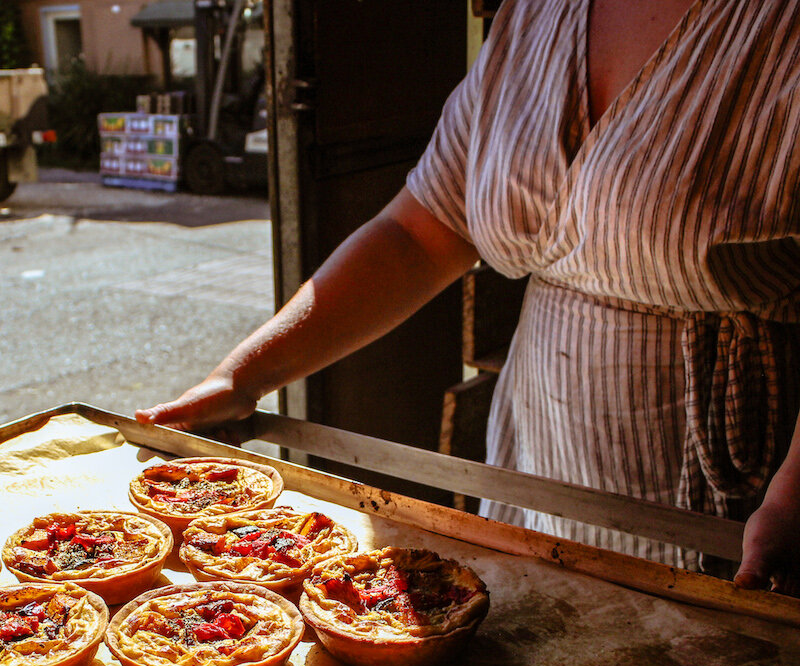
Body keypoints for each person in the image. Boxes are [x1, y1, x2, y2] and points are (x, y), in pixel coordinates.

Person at [137, 0, 800, 596]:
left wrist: (795, 497)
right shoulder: (537, 13)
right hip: (539, 451)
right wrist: (243, 375)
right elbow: (418, 232)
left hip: (721, 493)